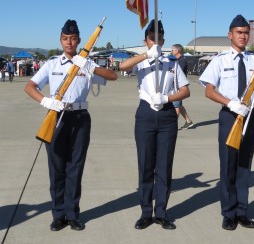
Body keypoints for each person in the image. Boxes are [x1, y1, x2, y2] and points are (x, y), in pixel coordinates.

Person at [24, 19, 118, 232]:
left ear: (79, 41)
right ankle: (58, 215)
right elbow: (30, 87)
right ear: (60, 40)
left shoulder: (87, 64)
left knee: (75, 167)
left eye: (73, 39)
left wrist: (89, 65)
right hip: (56, 117)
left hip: (80, 118)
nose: (69, 42)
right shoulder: (51, 64)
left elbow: (113, 76)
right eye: (65, 39)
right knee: (57, 168)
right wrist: (45, 101)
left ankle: (73, 214)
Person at [199, 14, 254, 231]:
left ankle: (242, 212)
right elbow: (209, 91)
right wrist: (230, 103)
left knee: (245, 166)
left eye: (246, 32)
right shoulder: (220, 61)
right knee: (228, 166)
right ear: (230, 35)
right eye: (239, 32)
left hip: (250, 116)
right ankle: (228, 213)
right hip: (229, 115)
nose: (243, 36)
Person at [119, 20, 190, 230]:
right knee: (145, 165)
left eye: (160, 38)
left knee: (164, 166)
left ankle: (161, 212)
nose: (156, 42)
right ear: (146, 40)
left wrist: (168, 98)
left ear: (164, 40)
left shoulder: (172, 63)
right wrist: (147, 54)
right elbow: (121, 67)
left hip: (167, 114)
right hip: (145, 114)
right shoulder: (141, 61)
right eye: (152, 38)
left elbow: (185, 90)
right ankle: (145, 213)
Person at [171, 44, 194, 129]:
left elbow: (177, 73)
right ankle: (188, 122)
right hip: (176, 86)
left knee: (176, 106)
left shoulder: (182, 60)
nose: (171, 51)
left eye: (173, 50)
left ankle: (172, 125)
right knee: (179, 105)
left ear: (177, 50)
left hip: (179, 87)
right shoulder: (177, 60)